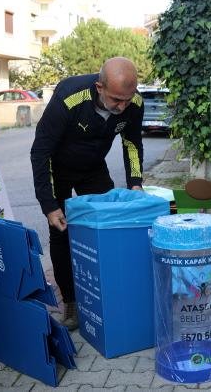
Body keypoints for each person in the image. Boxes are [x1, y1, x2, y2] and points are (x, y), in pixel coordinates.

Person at [30, 57, 144, 330]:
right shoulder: (70, 98)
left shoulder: (133, 103)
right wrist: (49, 205)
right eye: (116, 100)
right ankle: (70, 303)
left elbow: (132, 143)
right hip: (58, 169)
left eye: (127, 100)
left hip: (93, 168)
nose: (122, 107)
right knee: (61, 233)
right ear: (99, 87)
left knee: (107, 228)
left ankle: (105, 294)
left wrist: (136, 183)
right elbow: (40, 151)